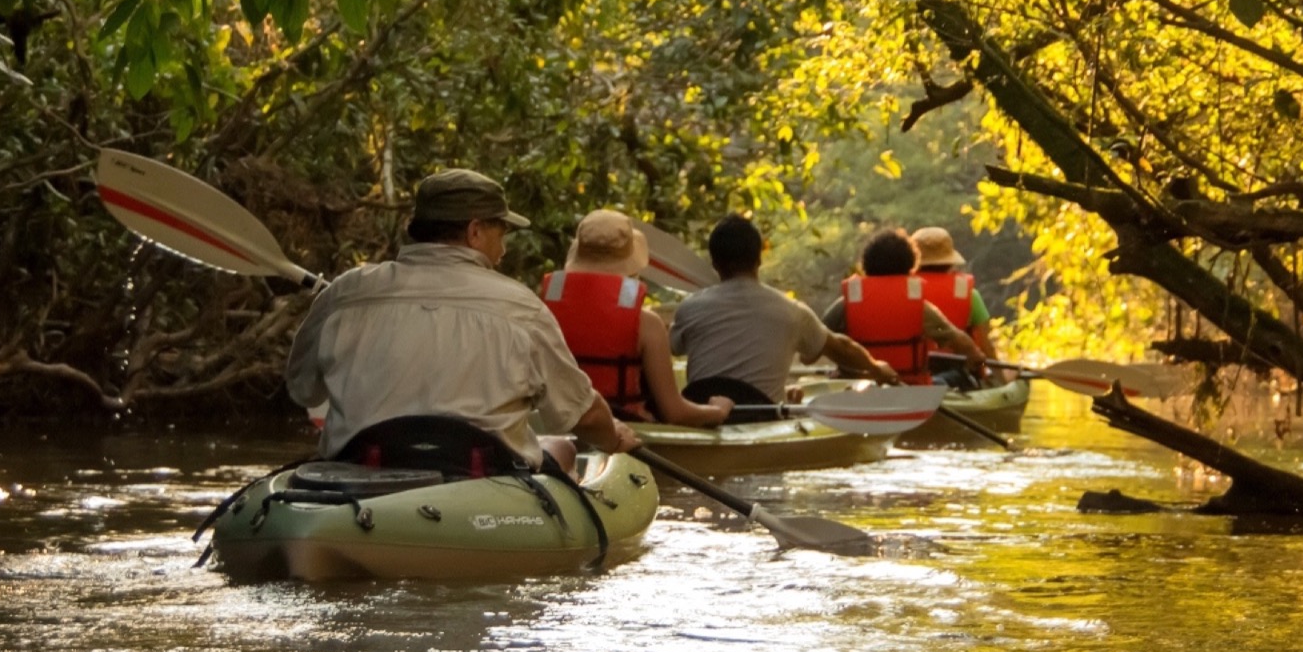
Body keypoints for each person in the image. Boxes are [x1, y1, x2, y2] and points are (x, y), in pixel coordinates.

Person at [285, 167, 638, 476]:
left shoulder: (345, 292)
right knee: (563, 448)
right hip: (478, 479)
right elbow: (584, 415)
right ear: (474, 232)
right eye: (501, 235)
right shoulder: (521, 308)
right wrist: (613, 437)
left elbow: (303, 389)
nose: (503, 251)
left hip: (360, 470)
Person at [669, 213, 899, 416]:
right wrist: (876, 367)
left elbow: (672, 347)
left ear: (715, 264)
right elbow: (842, 348)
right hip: (760, 416)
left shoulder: (689, 308)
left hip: (701, 416)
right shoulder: (791, 311)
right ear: (759, 259)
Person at [541, 209, 733, 428]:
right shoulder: (647, 325)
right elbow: (676, 413)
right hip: (624, 434)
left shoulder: (542, 312)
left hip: (556, 428)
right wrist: (717, 410)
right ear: (631, 263)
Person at [822, 229, 986, 385]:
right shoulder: (919, 307)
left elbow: (816, 342)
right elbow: (959, 340)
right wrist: (975, 356)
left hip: (860, 387)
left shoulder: (846, 304)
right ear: (910, 266)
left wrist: (842, 364)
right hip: (909, 389)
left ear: (866, 265)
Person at [908, 225, 1000, 365]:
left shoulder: (903, 295)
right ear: (950, 261)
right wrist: (1002, 380)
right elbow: (986, 346)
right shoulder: (970, 294)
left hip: (911, 370)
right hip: (957, 370)